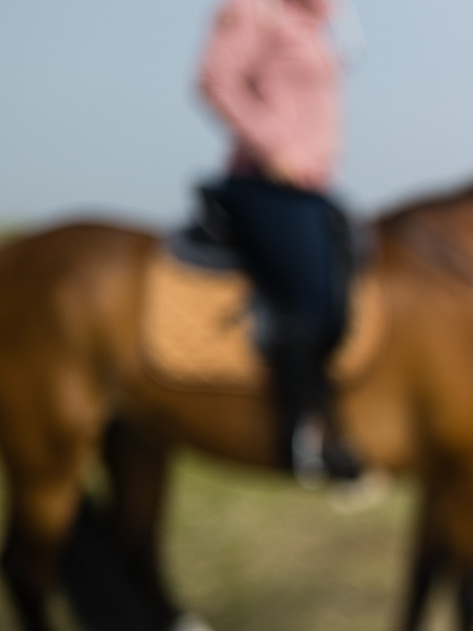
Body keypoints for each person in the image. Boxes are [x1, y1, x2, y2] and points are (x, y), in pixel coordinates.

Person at [197, 0, 362, 485]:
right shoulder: (253, 10)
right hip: (264, 184)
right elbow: (215, 80)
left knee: (341, 301)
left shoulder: (321, 23)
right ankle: (295, 436)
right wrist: (275, 146)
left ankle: (328, 419)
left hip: (314, 187)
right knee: (309, 303)